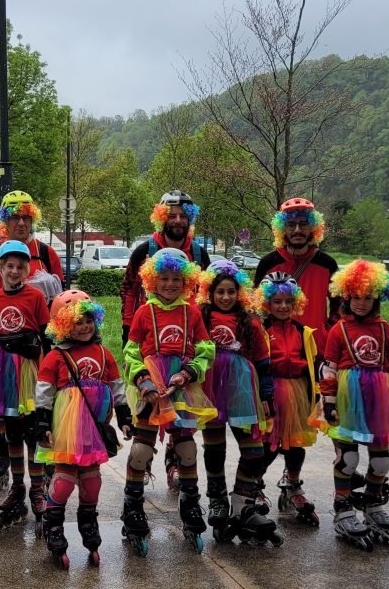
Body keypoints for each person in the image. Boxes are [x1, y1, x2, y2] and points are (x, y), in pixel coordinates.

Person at [120, 248, 217, 556]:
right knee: (141, 450)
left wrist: (189, 372)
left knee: (186, 448)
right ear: (153, 280)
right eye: (164, 278)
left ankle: (190, 503)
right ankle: (132, 504)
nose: (171, 284)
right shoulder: (143, 312)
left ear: (186, 281)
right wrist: (141, 379)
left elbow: (206, 349)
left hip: (182, 386)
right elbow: (131, 350)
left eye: (177, 279)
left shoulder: (192, 312)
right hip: (151, 386)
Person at [0, 190, 64, 484]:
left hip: (35, 341)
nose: (21, 223)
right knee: (1, 402)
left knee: (37, 402)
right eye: (14, 217)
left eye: (26, 217)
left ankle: (41, 454)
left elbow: (62, 301)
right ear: (4, 220)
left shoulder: (46, 253)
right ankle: (1, 450)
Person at [317, 259, 389, 550]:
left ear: (378, 297)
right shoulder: (338, 330)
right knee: (348, 459)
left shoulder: (387, 330)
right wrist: (329, 401)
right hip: (347, 397)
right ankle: (343, 508)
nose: (360, 303)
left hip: (378, 399)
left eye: (367, 297)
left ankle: (372, 503)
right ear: (346, 296)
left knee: (381, 459)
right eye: (355, 297)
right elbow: (328, 368)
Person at [34, 290, 131, 569]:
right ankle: (53, 523)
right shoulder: (55, 357)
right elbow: (44, 392)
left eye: (89, 320)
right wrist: (42, 424)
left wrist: (124, 415)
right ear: (63, 325)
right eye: (77, 322)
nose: (85, 326)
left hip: (94, 428)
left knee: (92, 482)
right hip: (65, 427)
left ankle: (88, 522)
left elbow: (116, 385)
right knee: (64, 482)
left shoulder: (102, 351)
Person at [194, 260, 281, 546]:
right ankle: (217, 500)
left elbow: (263, 360)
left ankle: (242, 502)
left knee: (254, 450)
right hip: (211, 387)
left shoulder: (249, 320)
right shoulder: (201, 316)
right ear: (210, 292)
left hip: (243, 389)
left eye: (231, 291)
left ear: (239, 293)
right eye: (220, 291)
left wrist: (267, 393)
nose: (226, 297)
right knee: (214, 448)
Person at [0, 240, 52, 530]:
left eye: (20, 266)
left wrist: (47, 370)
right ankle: (18, 487)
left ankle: (37, 489)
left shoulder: (35, 296)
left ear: (27, 269)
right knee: (11, 432)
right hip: (5, 371)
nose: (14, 271)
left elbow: (47, 335)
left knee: (33, 432)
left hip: (30, 368)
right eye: (8, 266)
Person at [255, 272, 322, 527]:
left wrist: (316, 395)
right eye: (277, 302)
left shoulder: (303, 331)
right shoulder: (262, 330)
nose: (283, 306)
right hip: (270, 391)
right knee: (267, 446)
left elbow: (312, 364)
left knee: (295, 445)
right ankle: (254, 486)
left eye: (287, 302)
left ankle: (292, 484)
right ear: (267, 305)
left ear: (296, 304)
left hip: (297, 391)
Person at [119, 190, 212, 345]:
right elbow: (128, 291)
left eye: (183, 216)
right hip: (151, 331)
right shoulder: (144, 251)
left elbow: (209, 293)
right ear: (161, 218)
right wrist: (127, 327)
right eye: (172, 216)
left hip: (189, 332)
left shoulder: (199, 254)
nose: (178, 220)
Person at [253, 198, 340, 344]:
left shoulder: (327, 264)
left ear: (313, 228)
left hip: (316, 347)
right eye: (291, 225)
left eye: (304, 224)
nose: (297, 230)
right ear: (282, 229)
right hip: (276, 349)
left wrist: (328, 332)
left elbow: (340, 306)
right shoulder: (268, 263)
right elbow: (257, 308)